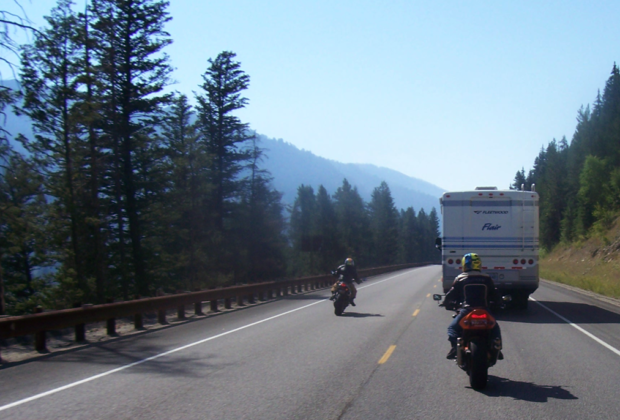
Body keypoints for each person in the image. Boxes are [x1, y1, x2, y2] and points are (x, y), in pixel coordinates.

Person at [441, 253, 503, 360]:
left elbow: (451, 295)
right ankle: (497, 347)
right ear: (479, 265)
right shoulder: (486, 278)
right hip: (484, 310)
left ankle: (455, 347)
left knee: (452, 329)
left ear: (465, 265)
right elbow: (495, 294)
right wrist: (500, 303)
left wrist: (445, 303)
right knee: (495, 328)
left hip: (466, 310)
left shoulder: (460, 279)